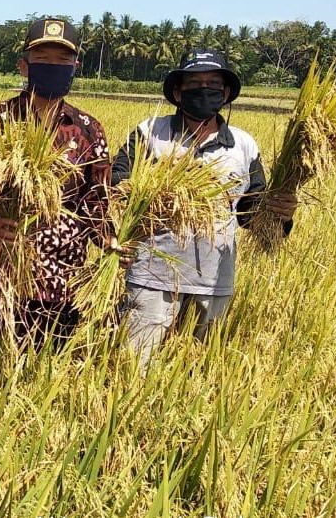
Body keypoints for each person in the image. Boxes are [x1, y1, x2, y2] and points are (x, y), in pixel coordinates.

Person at [0, 17, 112, 385]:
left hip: (59, 279)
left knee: (42, 383)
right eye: (43, 57)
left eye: (61, 59)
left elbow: (96, 199)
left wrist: (111, 239)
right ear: (24, 64)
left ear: (75, 67)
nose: (52, 65)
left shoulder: (88, 129)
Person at [112, 49, 297, 368]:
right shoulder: (151, 133)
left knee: (193, 373)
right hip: (151, 277)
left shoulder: (243, 145)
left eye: (213, 82)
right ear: (177, 91)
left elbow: (251, 213)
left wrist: (281, 212)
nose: (204, 88)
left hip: (213, 283)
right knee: (132, 370)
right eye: (194, 82)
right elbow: (116, 186)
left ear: (225, 93)